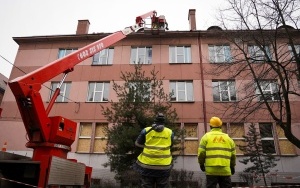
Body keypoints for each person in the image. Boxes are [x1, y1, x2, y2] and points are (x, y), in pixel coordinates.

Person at [133, 113, 174, 188]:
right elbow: (170, 145)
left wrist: (146, 147)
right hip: (164, 167)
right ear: (163, 122)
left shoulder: (146, 130)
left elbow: (137, 144)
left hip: (147, 166)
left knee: (146, 186)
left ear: (155, 121)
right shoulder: (170, 132)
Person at [198, 117, 236, 188]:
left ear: (210, 126)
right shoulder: (228, 139)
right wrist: (232, 166)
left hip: (211, 170)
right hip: (225, 170)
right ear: (221, 126)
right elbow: (233, 155)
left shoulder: (205, 137)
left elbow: (201, 154)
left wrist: (201, 164)